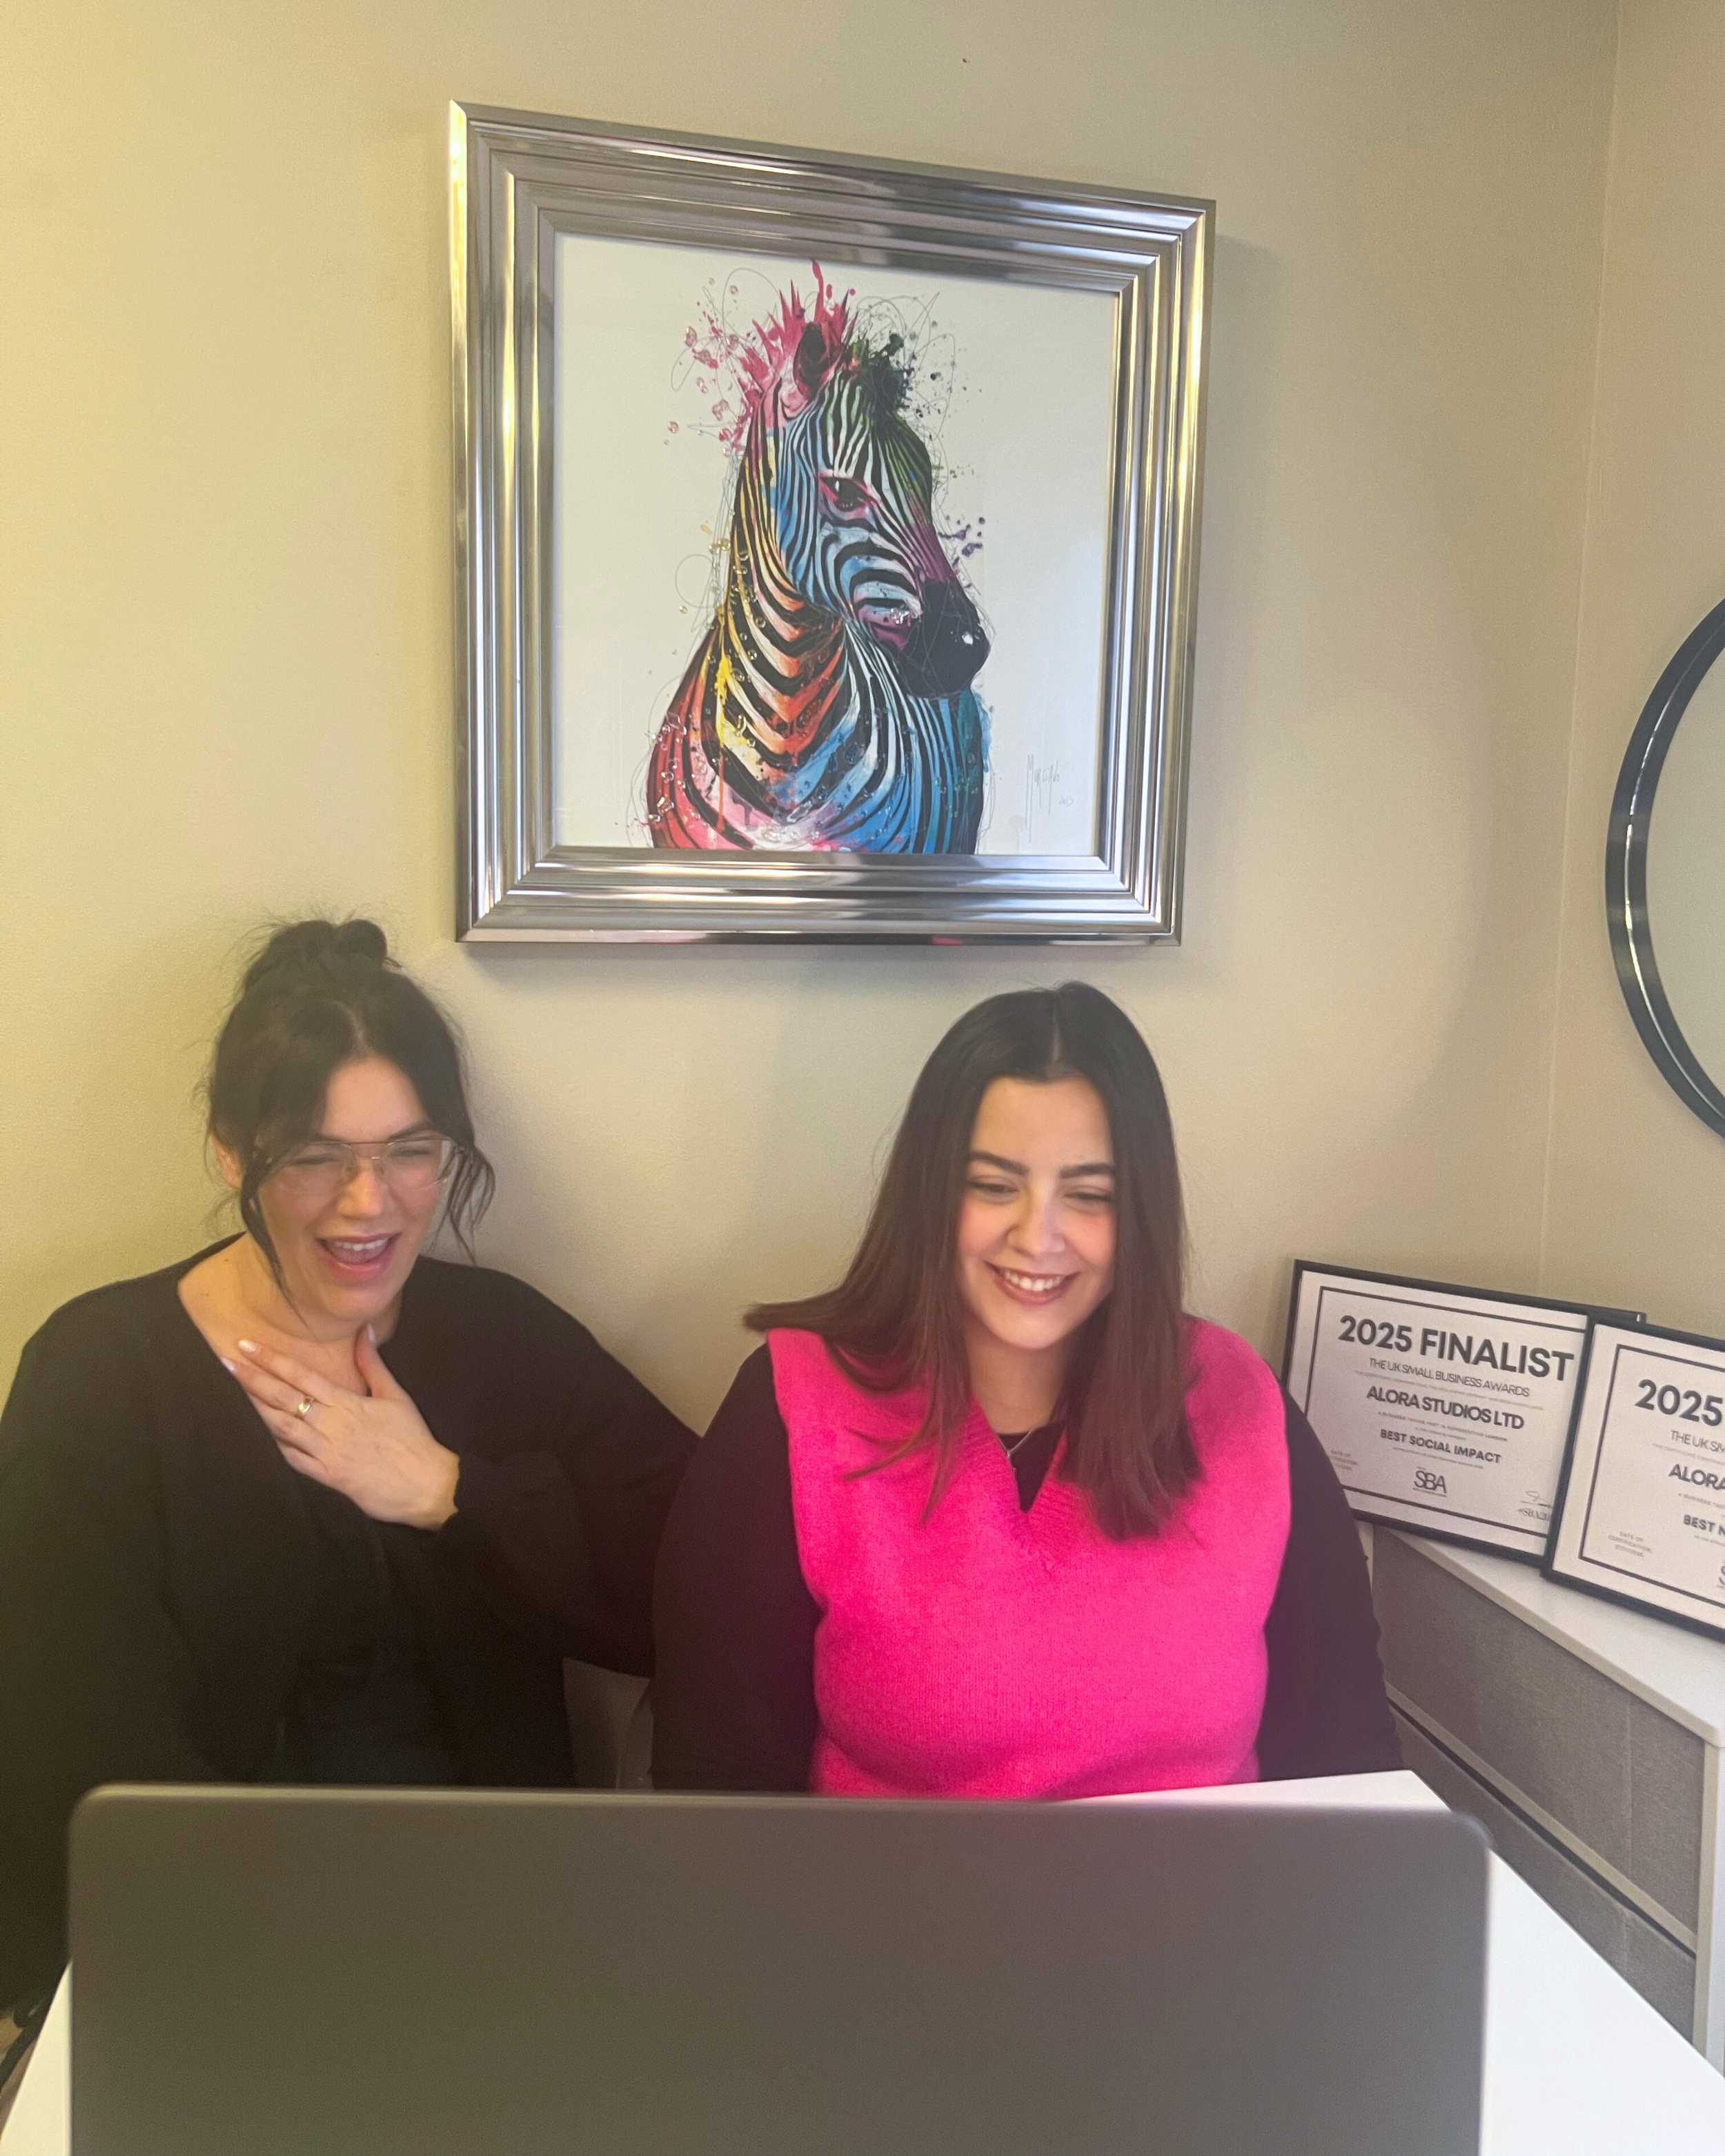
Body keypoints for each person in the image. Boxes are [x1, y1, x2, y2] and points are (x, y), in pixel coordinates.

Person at [0, 919, 695, 2015]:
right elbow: (79, 1758)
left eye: (411, 1152)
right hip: (213, 1964)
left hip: (499, 1941)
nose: (369, 1204)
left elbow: (695, 1580)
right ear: (233, 1149)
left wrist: (452, 1495)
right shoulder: (100, 1373)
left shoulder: (501, 1337)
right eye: (316, 1156)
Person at [651, 981, 1399, 1797]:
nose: (1036, 1236)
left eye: (1088, 1195)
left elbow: (1349, 1766)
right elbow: (717, 1792)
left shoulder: (1244, 1410)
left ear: (1139, 1212)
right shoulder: (793, 1411)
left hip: (1197, 1915)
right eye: (994, 1184)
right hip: (889, 1918)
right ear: (930, 1193)